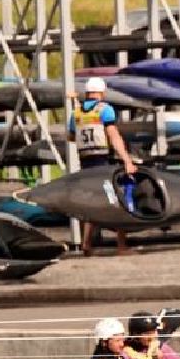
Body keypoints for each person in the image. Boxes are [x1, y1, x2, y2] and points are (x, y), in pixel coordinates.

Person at [69, 76, 136, 257]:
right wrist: (127, 160)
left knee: (91, 203)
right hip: (103, 162)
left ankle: (86, 243)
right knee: (117, 201)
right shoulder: (105, 110)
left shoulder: (76, 113)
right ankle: (121, 246)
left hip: (85, 163)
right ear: (102, 92)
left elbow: (71, 137)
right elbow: (113, 136)